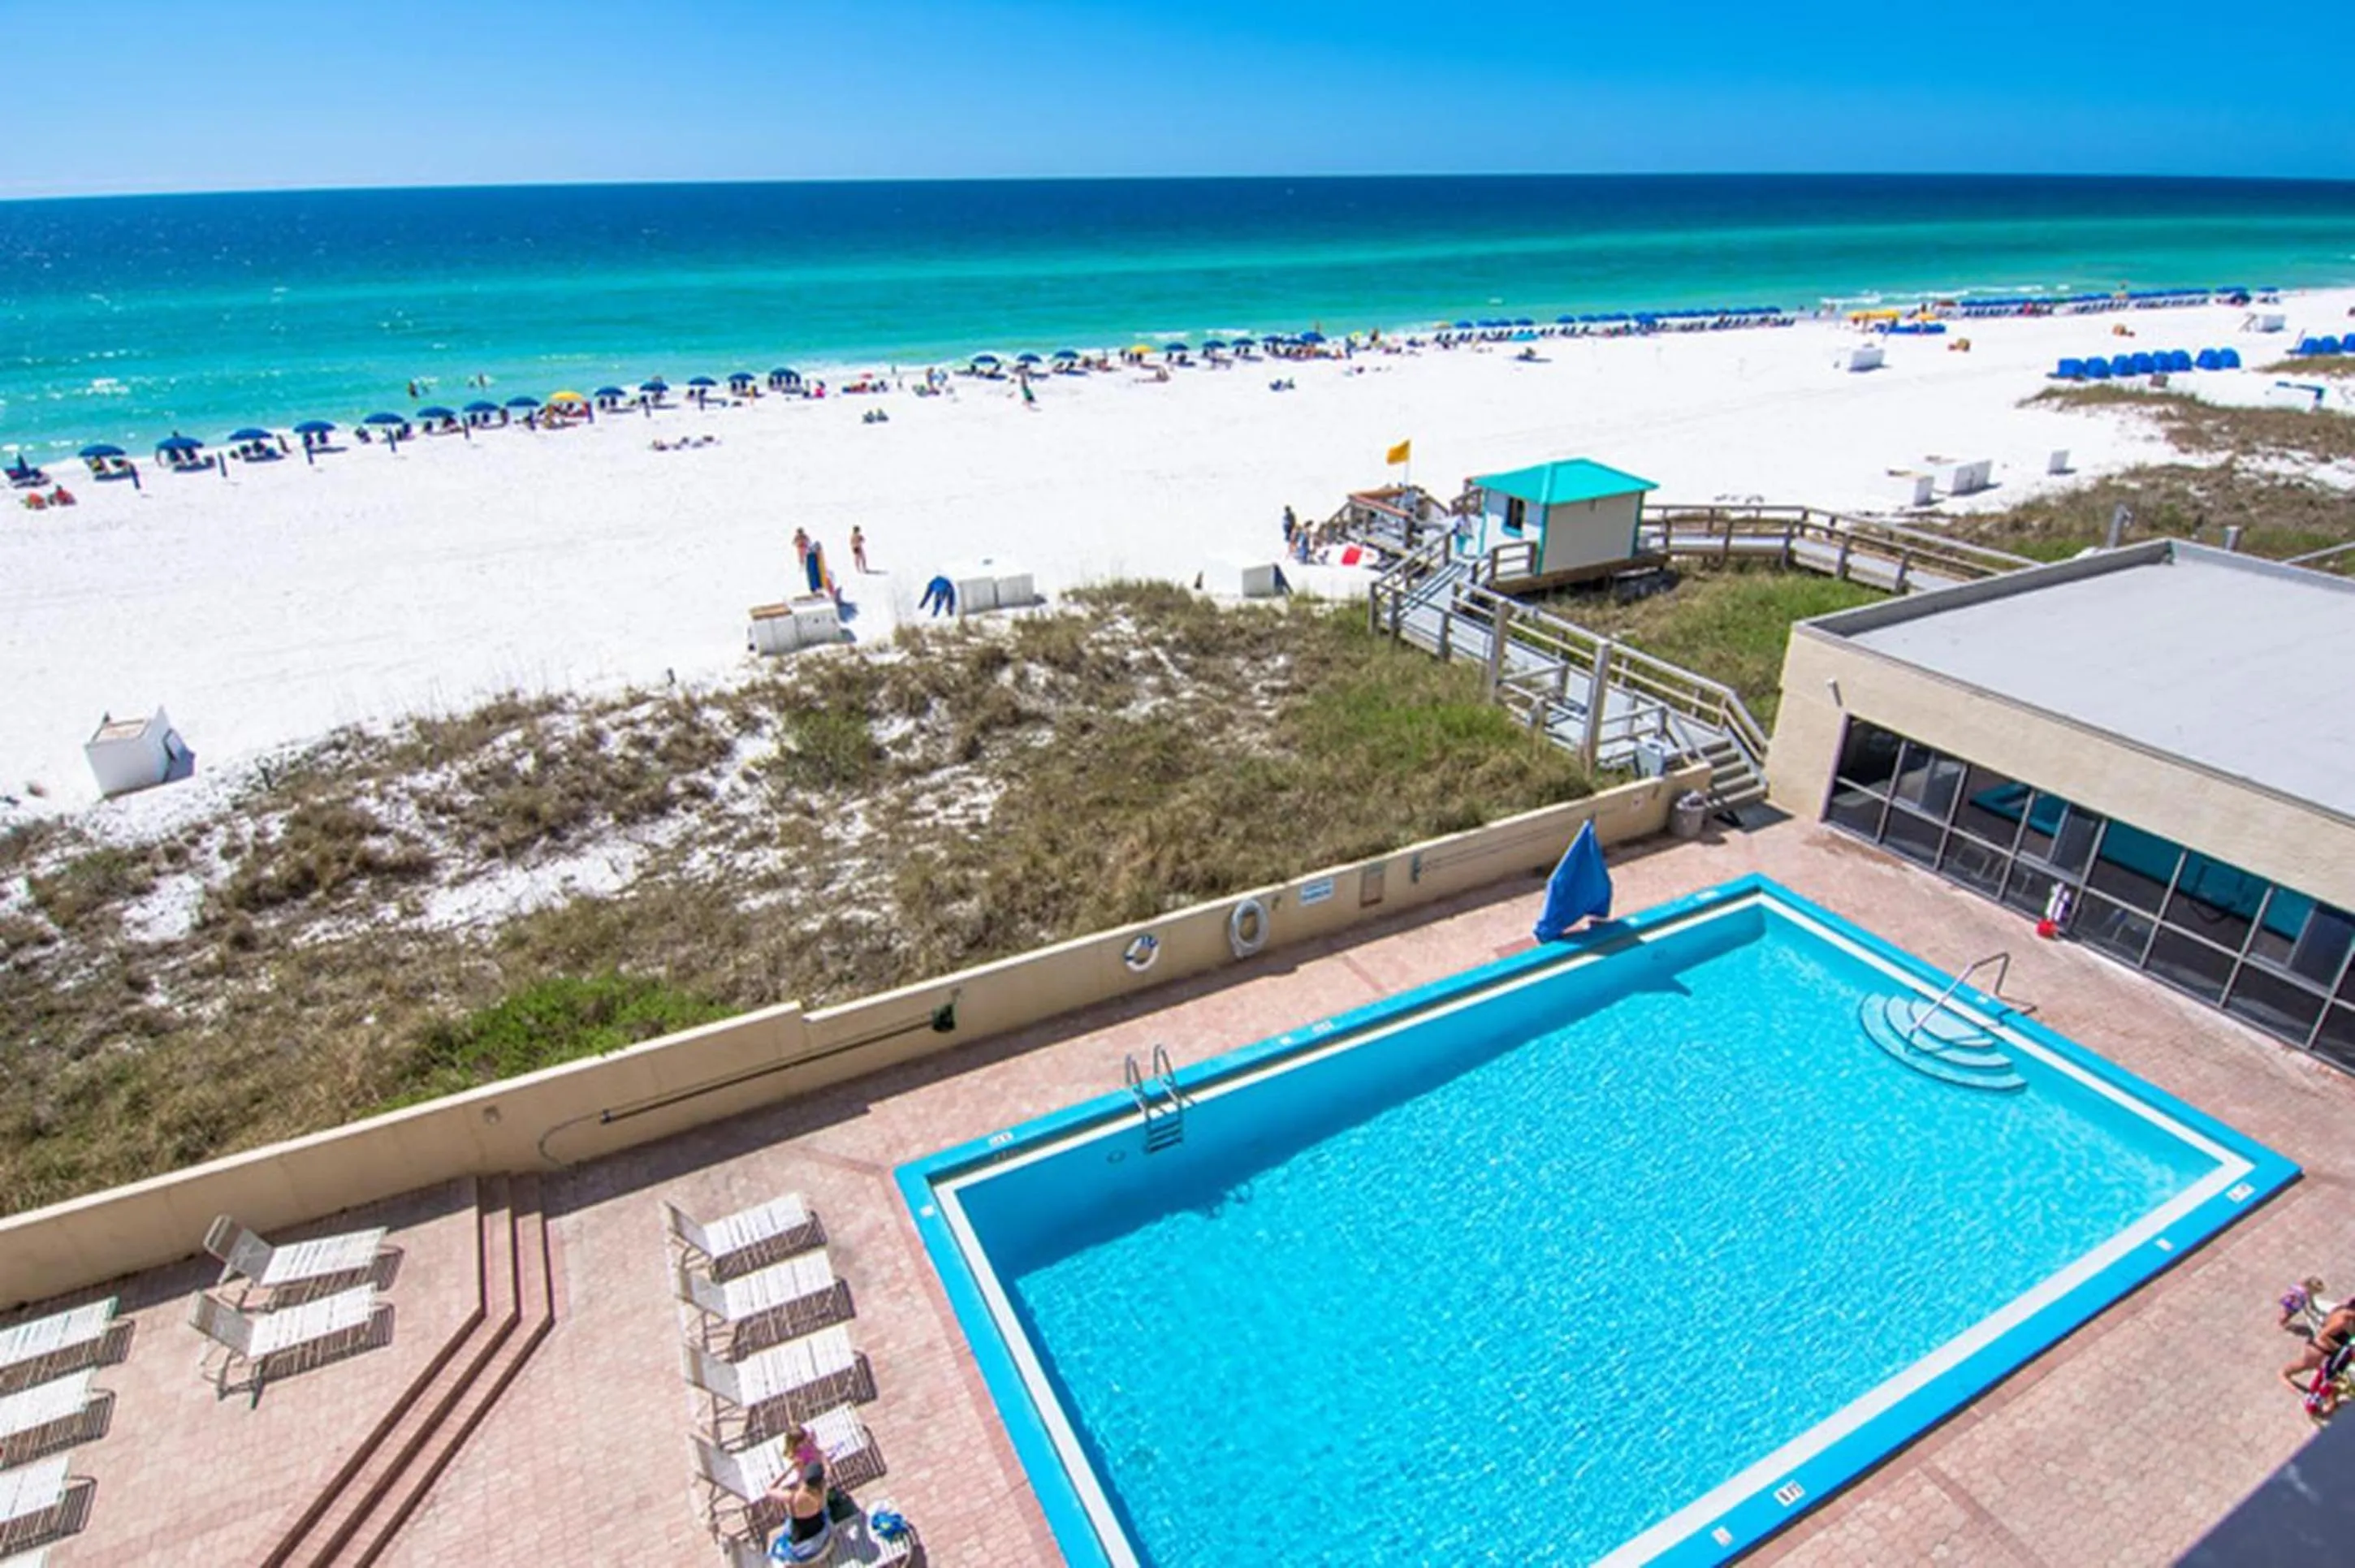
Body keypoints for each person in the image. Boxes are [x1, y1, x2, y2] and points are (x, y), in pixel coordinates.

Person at [2283, 1299, 2355, 1396]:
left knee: (2332, 1374)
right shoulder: (2341, 1320)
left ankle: (2329, 1399)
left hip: (2325, 1350)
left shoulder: (2344, 1312)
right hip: (2318, 1349)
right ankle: (2284, 1374)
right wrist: (2339, 1349)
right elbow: (2323, 1335)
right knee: (2305, 1365)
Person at [764, 1462, 833, 1562]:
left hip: (800, 1539)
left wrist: (788, 1470)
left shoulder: (791, 1497)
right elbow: (828, 1470)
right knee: (825, 1510)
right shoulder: (822, 1491)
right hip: (820, 1533)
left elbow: (768, 1490)